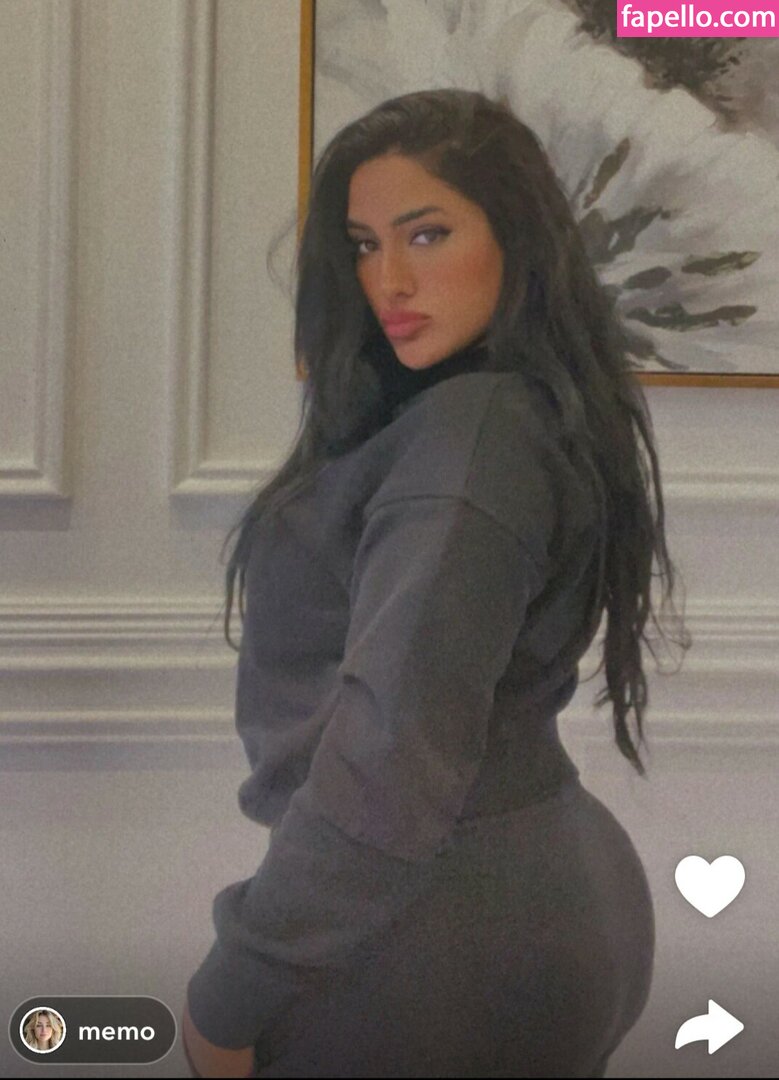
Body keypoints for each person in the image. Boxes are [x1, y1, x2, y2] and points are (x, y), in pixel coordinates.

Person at [183, 89, 691, 1078]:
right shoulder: (507, 417)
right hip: (517, 895)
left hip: (436, 942)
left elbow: (389, 757)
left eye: (426, 234)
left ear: (516, 238)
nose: (389, 279)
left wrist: (228, 996)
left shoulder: (474, 439)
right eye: (363, 245)